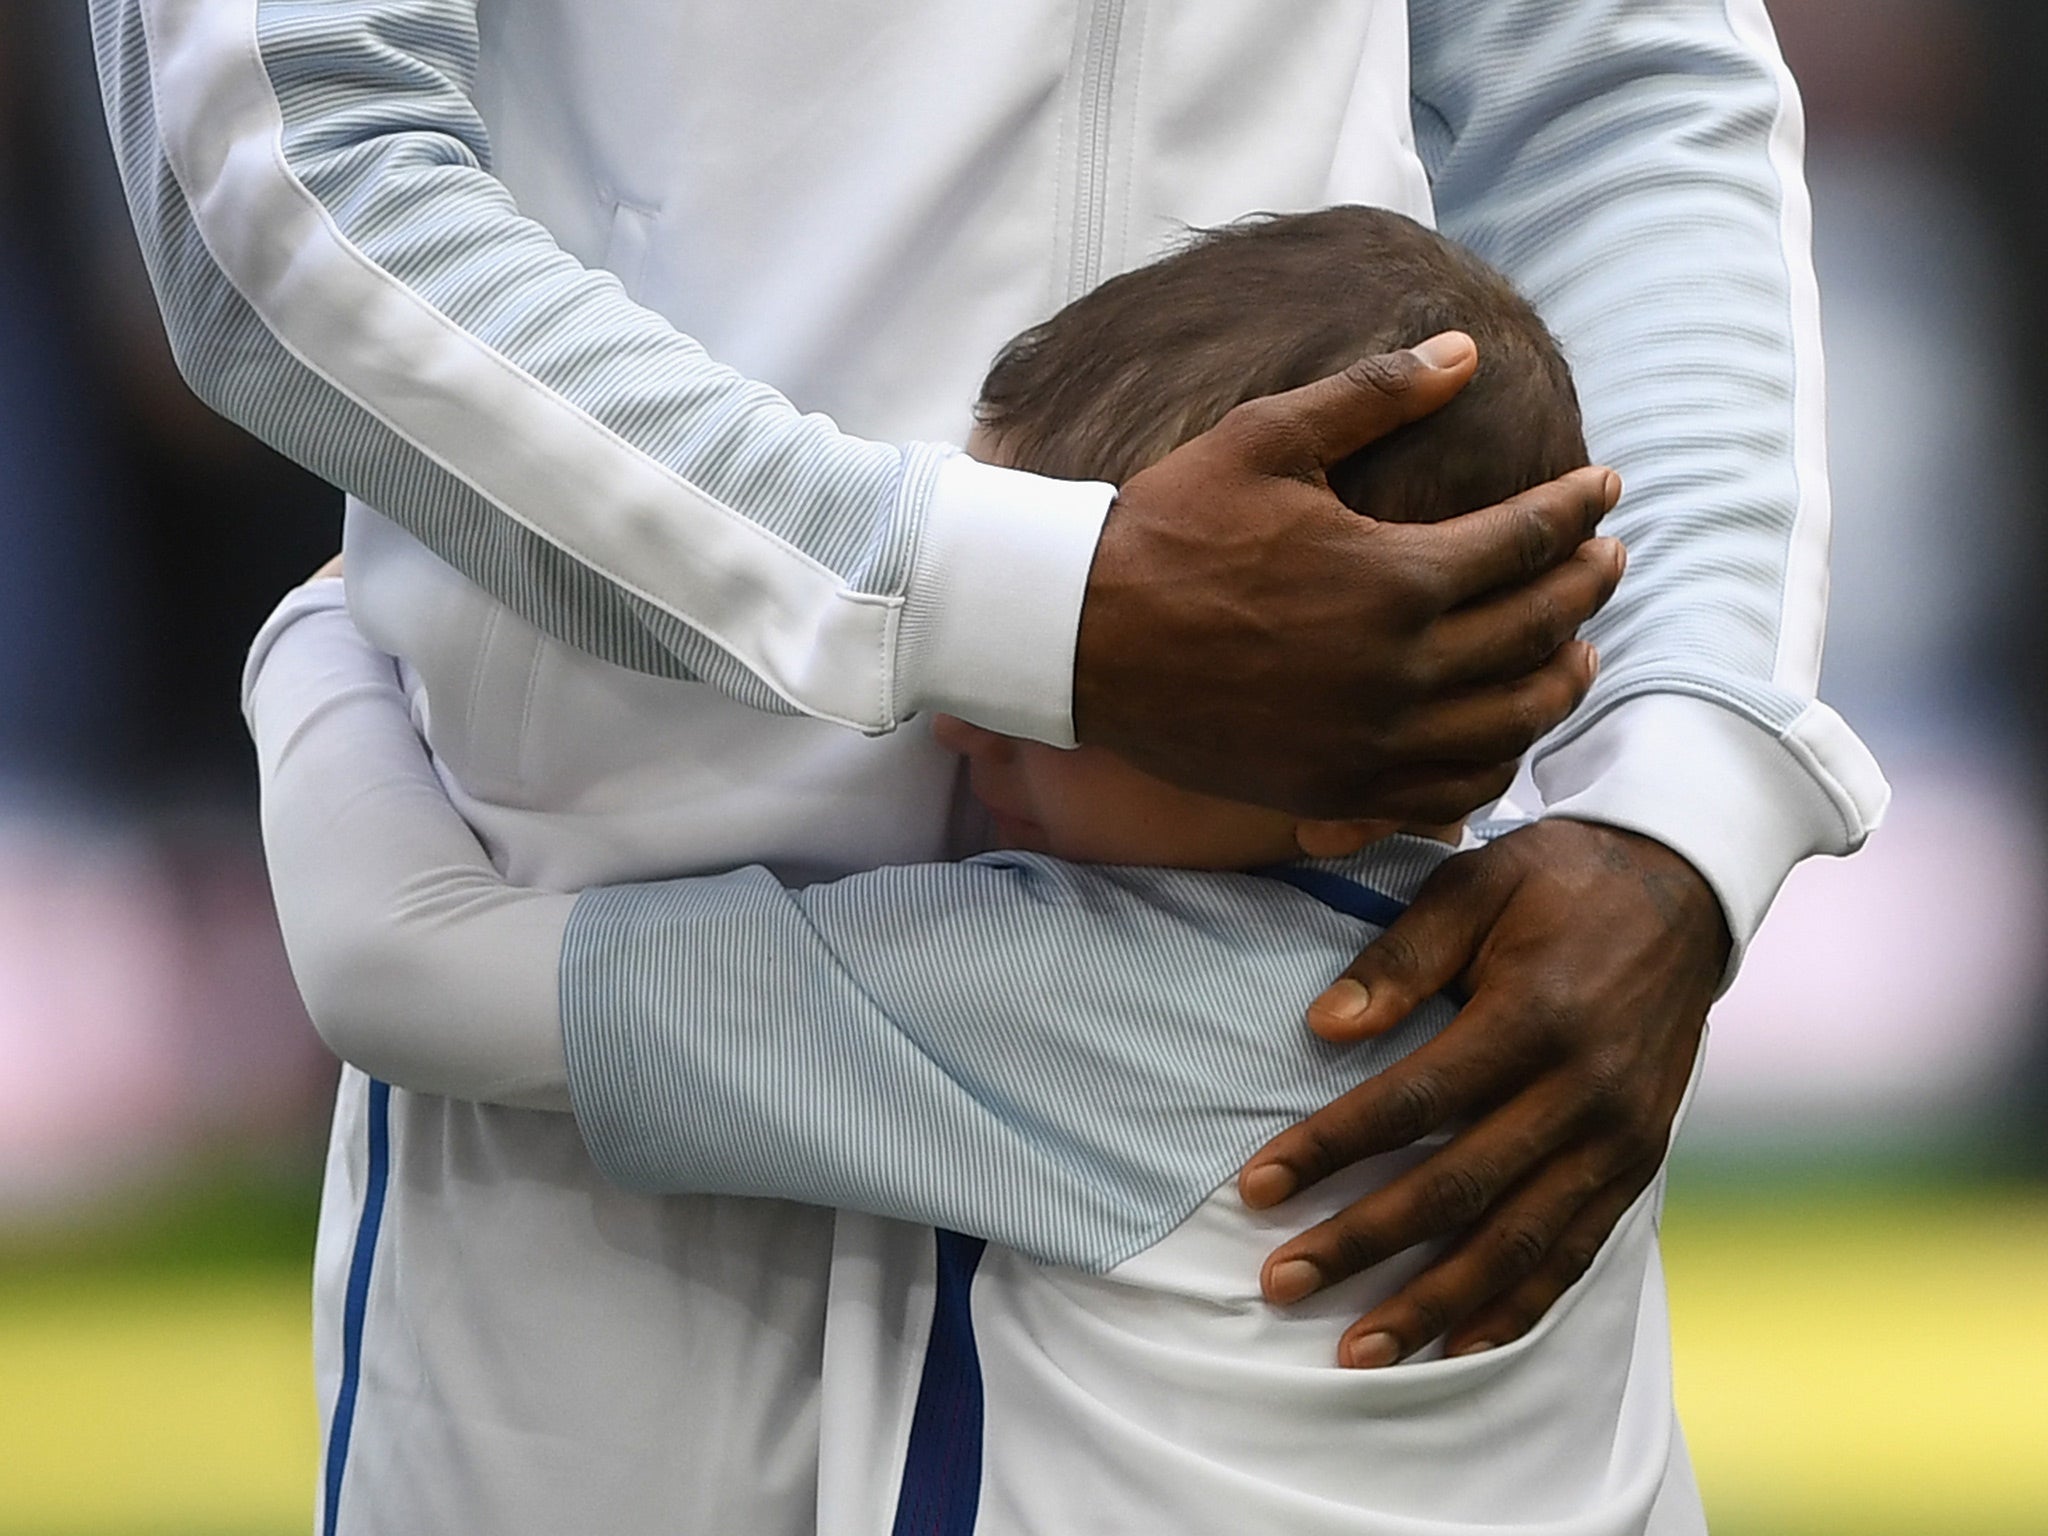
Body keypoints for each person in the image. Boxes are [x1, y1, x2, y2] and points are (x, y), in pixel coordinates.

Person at [96, 2, 1887, 1530]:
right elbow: (281, 156)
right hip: (597, 1129)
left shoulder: (1201, 1011)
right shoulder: (1325, 998)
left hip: (589, 981)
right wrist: (1020, 609)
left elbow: (1618, 88)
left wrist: (1677, 809)